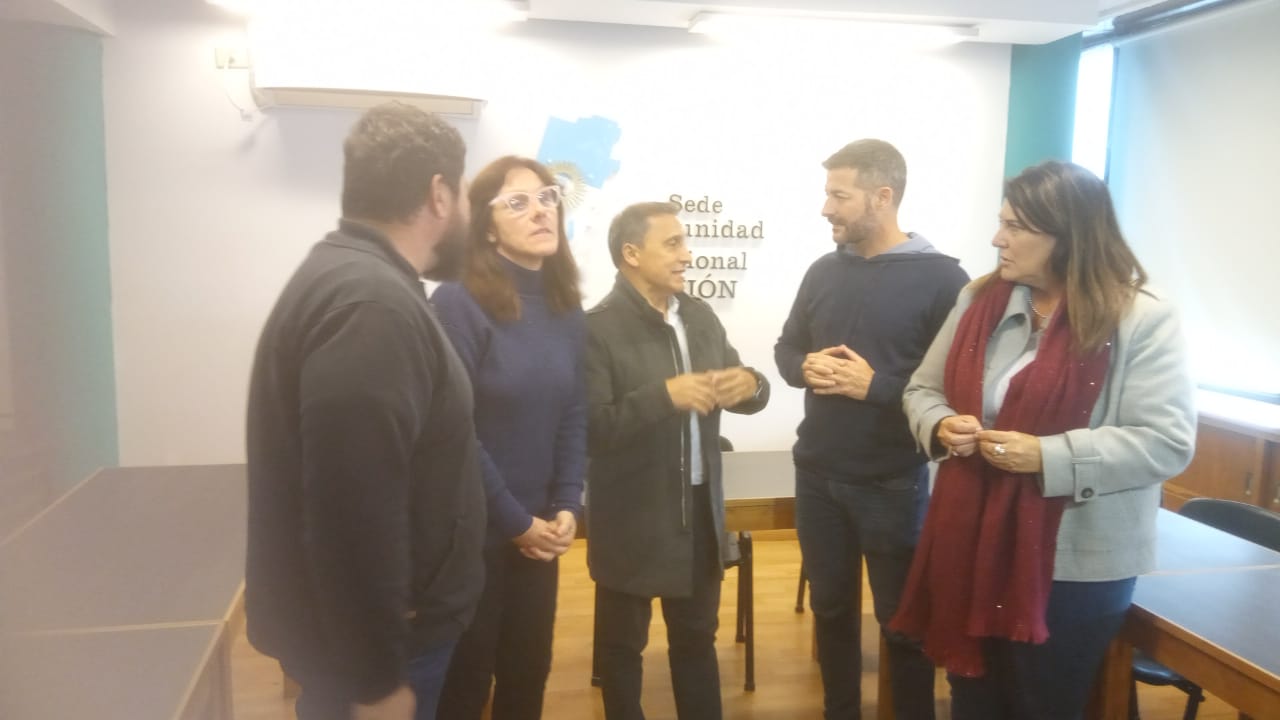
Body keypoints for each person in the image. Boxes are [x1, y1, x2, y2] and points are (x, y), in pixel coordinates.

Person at [890, 161, 1196, 720]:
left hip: (1075, 565)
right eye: (1000, 222)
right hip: (971, 541)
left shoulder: (1141, 319)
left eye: (1014, 226)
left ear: (1067, 235)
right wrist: (940, 424)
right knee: (974, 701)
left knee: (1043, 705)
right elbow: (922, 389)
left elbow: (1165, 441)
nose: (997, 239)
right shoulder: (979, 301)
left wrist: (1046, 456)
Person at [245, 103, 485, 720]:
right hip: (378, 656)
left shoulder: (357, 283)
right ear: (438, 194)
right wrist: (376, 681)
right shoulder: (372, 308)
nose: (466, 211)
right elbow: (352, 505)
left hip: (370, 642)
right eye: (463, 194)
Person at [774, 139, 968, 720]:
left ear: (883, 197)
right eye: (827, 194)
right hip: (816, 477)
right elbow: (786, 349)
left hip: (891, 482)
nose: (825, 208)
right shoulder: (822, 270)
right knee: (830, 614)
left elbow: (958, 394)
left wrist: (875, 387)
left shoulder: (944, 280)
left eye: (839, 195)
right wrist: (802, 367)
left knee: (903, 626)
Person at [586, 201, 770, 720]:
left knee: (696, 641)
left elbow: (746, 386)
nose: (687, 255)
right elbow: (592, 429)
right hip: (631, 517)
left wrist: (751, 384)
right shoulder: (594, 329)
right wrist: (663, 397)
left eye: (685, 243)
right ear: (631, 254)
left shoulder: (700, 315)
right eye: (672, 244)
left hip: (699, 513)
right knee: (622, 649)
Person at [432, 156, 585, 719]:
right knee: (466, 683)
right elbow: (455, 429)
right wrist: (516, 522)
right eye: (518, 202)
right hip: (471, 534)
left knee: (528, 675)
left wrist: (568, 503)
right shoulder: (456, 302)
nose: (540, 211)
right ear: (488, 226)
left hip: (541, 532)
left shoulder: (566, 307)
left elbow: (573, 412)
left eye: (547, 197)